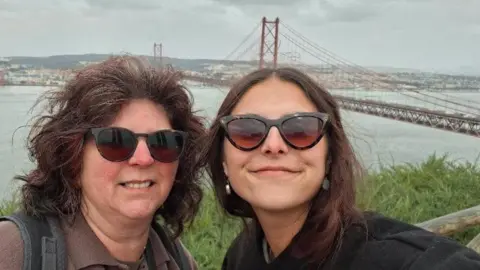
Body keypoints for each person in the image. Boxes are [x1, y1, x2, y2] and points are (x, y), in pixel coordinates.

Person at [202, 67, 480, 270]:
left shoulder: (403, 260)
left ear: (330, 158)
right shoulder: (243, 254)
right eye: (247, 131)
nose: (273, 145)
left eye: (301, 129)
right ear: (224, 162)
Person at [0, 56, 206, 270]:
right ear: (73, 162)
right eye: (116, 141)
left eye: (163, 142)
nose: (144, 159)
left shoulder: (178, 260)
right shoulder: (12, 252)